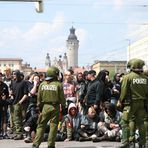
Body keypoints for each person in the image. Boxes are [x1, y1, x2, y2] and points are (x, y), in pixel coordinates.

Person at [117, 58, 148, 148]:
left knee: (125, 121)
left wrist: (120, 101)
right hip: (142, 103)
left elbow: (123, 91)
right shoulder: (145, 78)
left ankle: (126, 142)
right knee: (141, 122)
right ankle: (142, 143)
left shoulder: (127, 77)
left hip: (130, 104)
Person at [32, 66, 66, 148]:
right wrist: (63, 106)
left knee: (41, 125)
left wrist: (40, 108)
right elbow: (62, 98)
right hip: (55, 107)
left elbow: (39, 98)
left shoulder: (42, 84)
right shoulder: (58, 84)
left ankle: (36, 144)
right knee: (53, 126)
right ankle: (51, 145)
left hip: (45, 107)